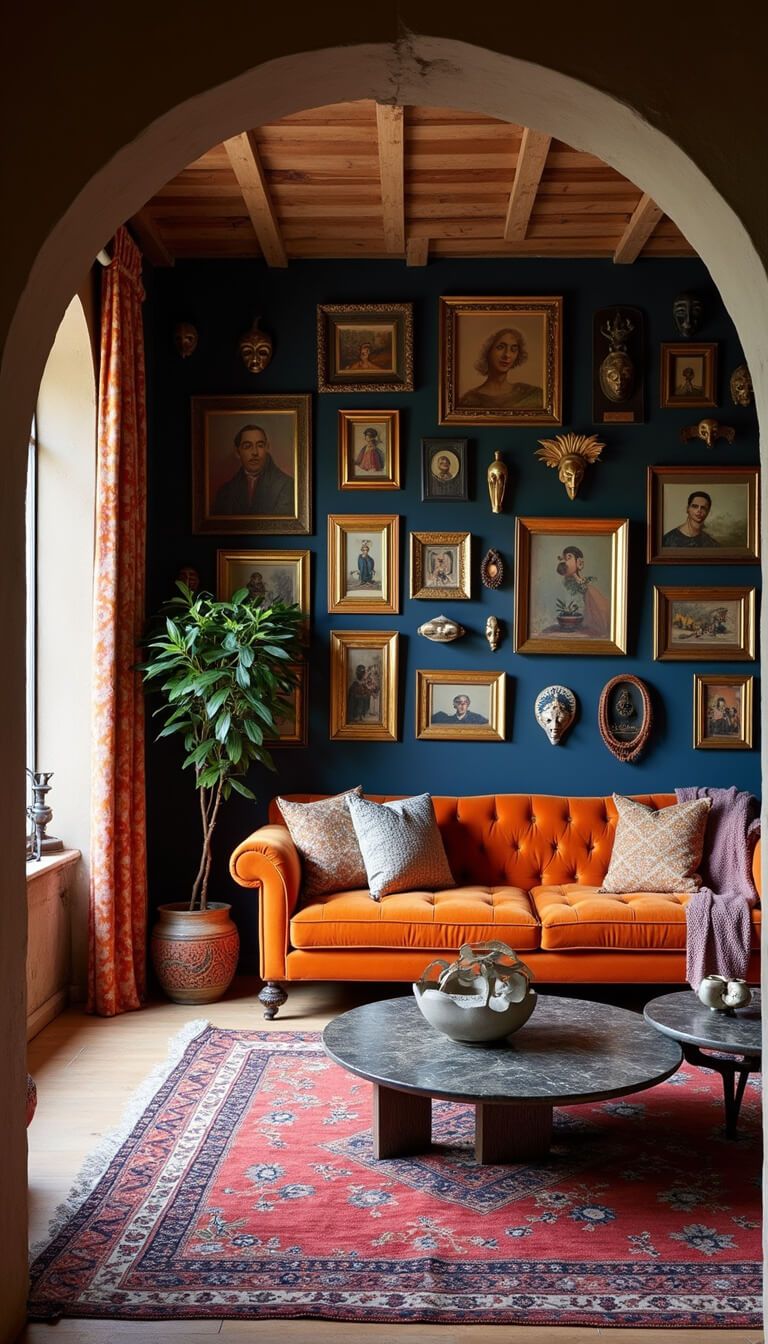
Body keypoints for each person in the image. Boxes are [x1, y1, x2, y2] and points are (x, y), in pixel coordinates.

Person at [213, 423, 294, 516]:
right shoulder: (224, 492)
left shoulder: (286, 486)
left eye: (260, 445)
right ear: (237, 452)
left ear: (267, 448)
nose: (255, 452)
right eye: (247, 446)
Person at [457, 327, 543, 409]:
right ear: (488, 351)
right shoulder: (469, 400)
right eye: (500, 347)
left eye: (513, 350)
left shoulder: (533, 394)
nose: (507, 355)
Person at [554, 545, 611, 638]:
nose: (565, 561)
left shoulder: (583, 583)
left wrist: (576, 574)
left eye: (569, 557)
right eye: (564, 558)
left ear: (579, 562)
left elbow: (584, 587)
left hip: (583, 621)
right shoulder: (565, 581)